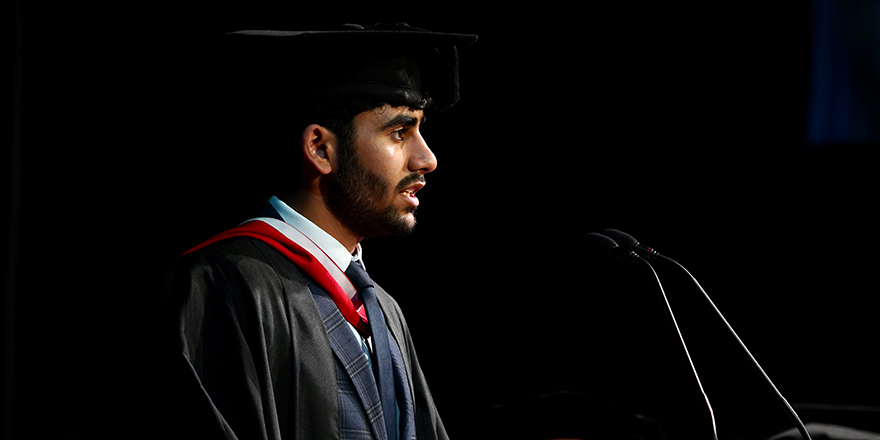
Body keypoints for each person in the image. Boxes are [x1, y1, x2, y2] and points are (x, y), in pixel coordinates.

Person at [160, 23, 477, 440]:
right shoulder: (222, 284)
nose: (427, 159)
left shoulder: (383, 309)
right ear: (320, 148)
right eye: (399, 133)